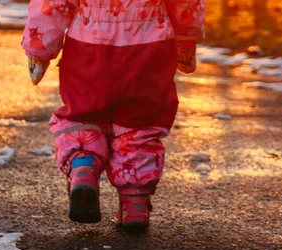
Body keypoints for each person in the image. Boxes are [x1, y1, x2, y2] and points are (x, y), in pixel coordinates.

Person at [22, 0, 204, 229]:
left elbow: (52, 4)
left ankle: (83, 169)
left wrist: (40, 49)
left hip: (89, 46)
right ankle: (135, 202)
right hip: (150, 47)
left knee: (83, 114)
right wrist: (187, 39)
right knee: (140, 123)